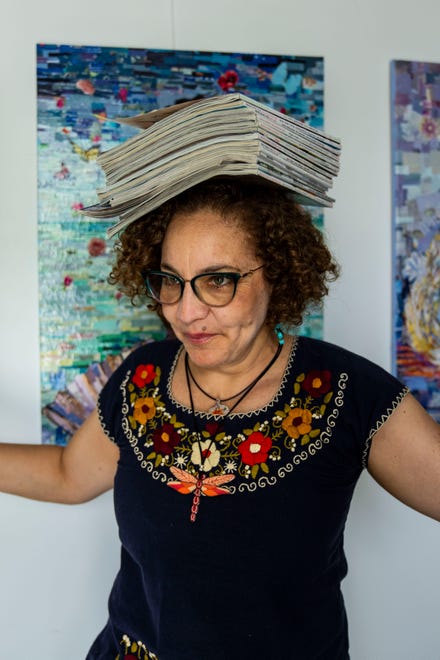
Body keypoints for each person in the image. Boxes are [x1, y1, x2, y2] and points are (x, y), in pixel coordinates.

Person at [1, 125, 440, 659]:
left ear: (278, 273)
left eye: (218, 281)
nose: (186, 312)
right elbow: (70, 475)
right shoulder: (142, 376)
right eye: (170, 280)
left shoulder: (347, 394)